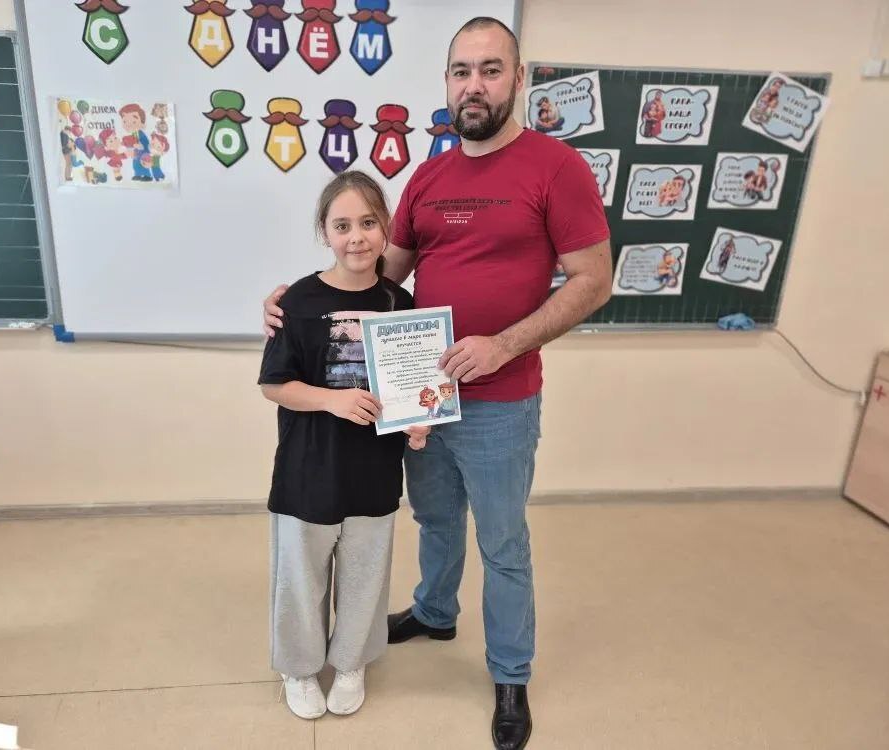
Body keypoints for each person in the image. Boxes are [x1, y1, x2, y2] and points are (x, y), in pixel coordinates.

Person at [264, 17, 612, 749]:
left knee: (503, 542)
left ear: (519, 79)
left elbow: (593, 280)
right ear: (447, 83)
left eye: (490, 69)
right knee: (434, 520)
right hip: (419, 395)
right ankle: (434, 610)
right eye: (461, 71)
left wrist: (503, 345)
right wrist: (296, 298)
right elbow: (376, 277)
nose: (473, 85)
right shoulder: (429, 175)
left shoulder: (556, 168)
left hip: (502, 402)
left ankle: (510, 673)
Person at [258, 170, 431, 721]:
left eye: (368, 223)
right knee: (301, 578)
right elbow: (273, 385)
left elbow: (414, 387)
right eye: (342, 225)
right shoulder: (297, 301)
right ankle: (298, 667)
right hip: (307, 472)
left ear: (385, 229)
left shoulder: (402, 304)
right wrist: (332, 401)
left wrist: (420, 422)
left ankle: (352, 661)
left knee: (364, 577)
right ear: (325, 233)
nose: (356, 237)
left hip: (374, 472)